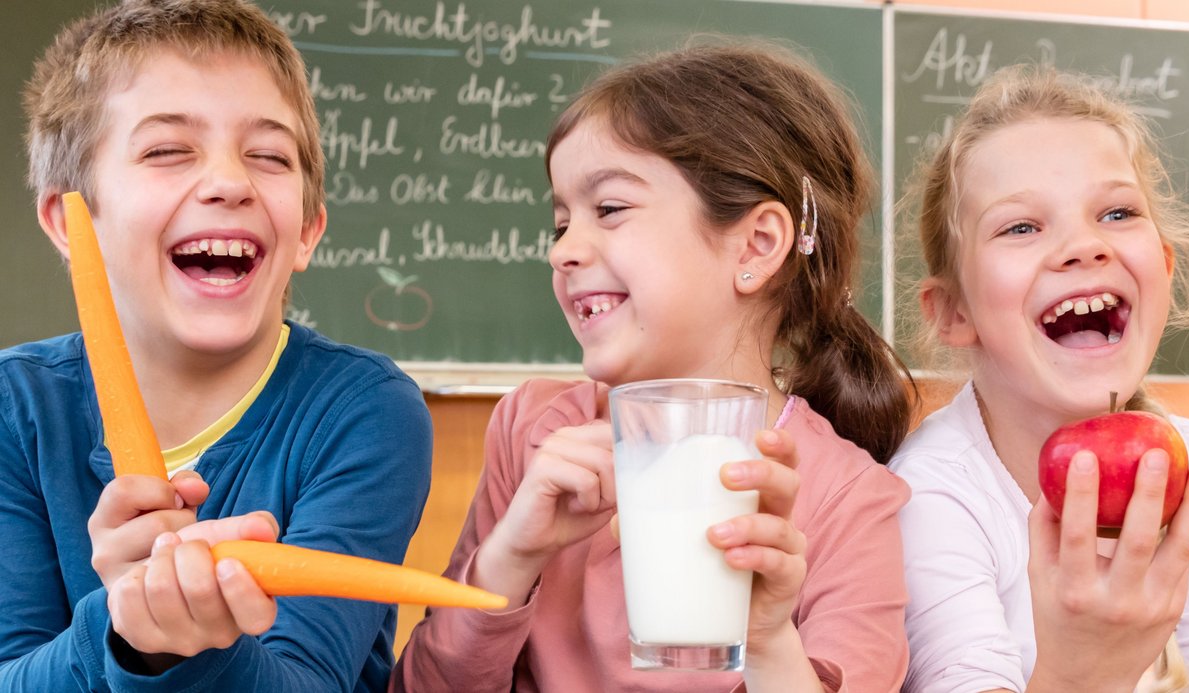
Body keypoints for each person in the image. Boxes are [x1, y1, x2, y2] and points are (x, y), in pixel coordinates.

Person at [392, 41, 917, 692]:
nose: (563, 252)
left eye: (608, 209)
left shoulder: (849, 499)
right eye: (560, 224)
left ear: (756, 245)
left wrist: (768, 643)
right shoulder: (532, 430)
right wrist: (512, 554)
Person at [1, 0, 432, 690]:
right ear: (69, 220)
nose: (231, 182)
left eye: (268, 155)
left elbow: (307, 681)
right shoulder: (14, 408)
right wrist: (123, 628)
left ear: (308, 230)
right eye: (167, 150)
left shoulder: (365, 412)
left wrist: (180, 642)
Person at [890, 64, 1189, 692]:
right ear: (954, 312)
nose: (1084, 244)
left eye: (1119, 212)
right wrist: (1080, 675)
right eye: (1021, 226)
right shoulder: (932, 495)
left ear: (1163, 262)